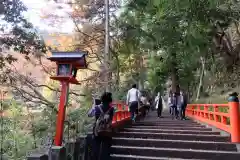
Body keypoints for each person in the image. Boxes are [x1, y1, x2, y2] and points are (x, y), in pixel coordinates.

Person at [88, 92, 114, 160]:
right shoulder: (112, 109)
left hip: (97, 131)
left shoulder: (96, 107)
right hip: (107, 131)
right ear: (110, 100)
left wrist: (93, 106)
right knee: (106, 149)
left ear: (102, 99)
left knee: (96, 148)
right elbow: (111, 119)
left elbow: (89, 114)